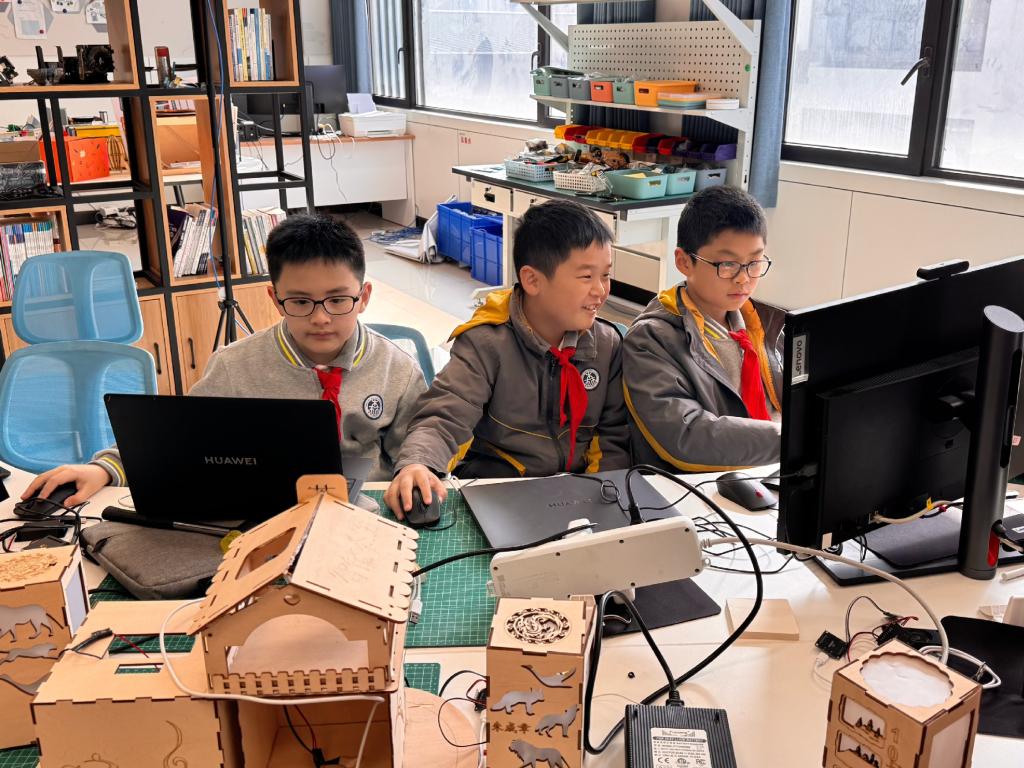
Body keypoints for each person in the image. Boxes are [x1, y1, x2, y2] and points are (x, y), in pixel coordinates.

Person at [24, 214, 426, 505]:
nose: (321, 318)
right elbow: (179, 436)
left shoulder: (397, 368)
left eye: (338, 300)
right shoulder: (234, 366)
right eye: (300, 302)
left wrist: (416, 467)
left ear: (364, 297)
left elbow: (417, 443)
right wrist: (105, 467)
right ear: (275, 299)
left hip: (368, 508)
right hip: (267, 508)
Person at [385, 199, 631, 516]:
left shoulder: (607, 346)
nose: (600, 290)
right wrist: (419, 463)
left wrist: (603, 497)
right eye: (586, 277)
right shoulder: (487, 342)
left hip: (581, 495)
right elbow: (445, 415)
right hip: (501, 493)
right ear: (532, 280)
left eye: (605, 275)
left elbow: (612, 437)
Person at [623, 186, 784, 471]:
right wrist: (791, 439)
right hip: (707, 481)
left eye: (754, 263)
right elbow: (686, 435)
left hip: (772, 468)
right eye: (728, 264)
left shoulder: (763, 324)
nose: (743, 278)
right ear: (684, 262)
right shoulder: (651, 339)